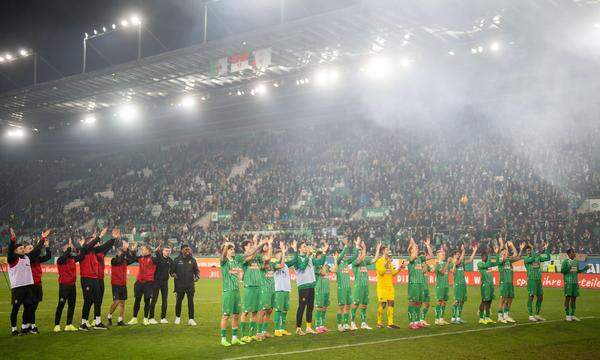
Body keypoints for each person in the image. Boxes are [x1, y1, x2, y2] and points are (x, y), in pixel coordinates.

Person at [7, 227, 38, 336]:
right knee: (15, 309)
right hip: (17, 288)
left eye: (22, 248)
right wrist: (13, 241)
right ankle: (14, 329)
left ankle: (24, 327)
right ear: (15, 251)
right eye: (20, 248)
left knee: (28, 307)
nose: (22, 249)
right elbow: (10, 252)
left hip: (28, 287)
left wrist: (42, 239)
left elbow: (36, 251)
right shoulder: (13, 259)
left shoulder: (27, 258)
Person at [78, 228, 110, 331]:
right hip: (86, 278)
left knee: (97, 300)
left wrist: (113, 238)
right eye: (92, 240)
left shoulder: (94, 251)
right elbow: (90, 245)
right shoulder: (84, 250)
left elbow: (105, 246)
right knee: (88, 301)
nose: (96, 243)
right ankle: (83, 323)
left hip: (95, 278)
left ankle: (97, 322)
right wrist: (99, 236)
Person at [239, 236, 268, 342]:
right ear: (245, 247)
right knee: (245, 312)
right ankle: (243, 335)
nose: (252, 247)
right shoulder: (243, 257)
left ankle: (252, 334)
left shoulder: (257, 257)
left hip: (258, 286)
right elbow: (249, 257)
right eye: (250, 245)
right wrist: (258, 244)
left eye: (252, 245)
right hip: (249, 287)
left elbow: (263, 264)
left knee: (255, 312)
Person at [219, 240, 246, 346]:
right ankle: (223, 339)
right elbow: (222, 256)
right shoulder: (224, 261)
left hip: (236, 291)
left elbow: (239, 275)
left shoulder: (235, 262)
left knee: (236, 315)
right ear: (226, 251)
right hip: (228, 291)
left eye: (233, 249)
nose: (233, 250)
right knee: (226, 316)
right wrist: (226, 245)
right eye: (231, 249)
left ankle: (234, 338)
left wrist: (241, 275)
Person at [350, 239, 381, 330]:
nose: (360, 254)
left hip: (365, 286)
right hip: (358, 286)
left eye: (361, 252)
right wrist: (364, 248)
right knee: (355, 304)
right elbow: (361, 258)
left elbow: (375, 259)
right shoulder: (355, 263)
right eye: (359, 252)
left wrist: (378, 249)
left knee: (364, 305)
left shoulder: (365, 261)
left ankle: (363, 323)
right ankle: (352, 322)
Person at [27, 229, 51, 334]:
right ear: (26, 251)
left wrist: (47, 246)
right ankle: (32, 325)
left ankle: (28, 324)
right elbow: (36, 250)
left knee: (34, 306)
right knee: (31, 306)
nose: (32, 249)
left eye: (32, 247)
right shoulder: (28, 258)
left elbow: (48, 257)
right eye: (29, 248)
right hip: (30, 285)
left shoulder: (36, 258)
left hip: (38, 284)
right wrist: (42, 238)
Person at [107, 234, 134, 327]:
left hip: (123, 283)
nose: (121, 253)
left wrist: (131, 250)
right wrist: (125, 249)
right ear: (118, 252)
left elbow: (132, 259)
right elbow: (121, 258)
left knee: (122, 302)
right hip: (116, 283)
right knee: (117, 301)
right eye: (121, 251)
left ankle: (120, 320)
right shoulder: (114, 260)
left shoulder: (124, 260)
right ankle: (109, 316)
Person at [128, 243, 157, 325]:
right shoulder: (140, 258)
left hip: (148, 282)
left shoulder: (153, 259)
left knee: (147, 300)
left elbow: (158, 260)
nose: (142, 251)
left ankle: (145, 318)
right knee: (137, 300)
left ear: (148, 250)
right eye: (142, 249)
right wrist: (133, 251)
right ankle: (134, 318)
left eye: (143, 249)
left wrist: (155, 252)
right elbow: (132, 258)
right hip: (139, 282)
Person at [375, 244, 404, 329]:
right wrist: (387, 263)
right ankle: (379, 322)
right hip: (382, 287)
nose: (388, 251)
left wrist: (400, 268)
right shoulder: (379, 261)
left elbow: (393, 273)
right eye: (387, 249)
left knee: (391, 303)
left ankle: (390, 323)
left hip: (390, 286)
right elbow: (381, 272)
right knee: (383, 304)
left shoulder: (389, 261)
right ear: (383, 251)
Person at [54, 238, 79, 332]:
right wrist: (68, 248)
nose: (69, 248)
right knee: (61, 305)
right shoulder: (60, 260)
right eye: (67, 246)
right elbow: (65, 256)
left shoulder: (72, 259)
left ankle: (69, 324)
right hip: (64, 285)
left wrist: (78, 246)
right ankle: (57, 324)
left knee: (72, 305)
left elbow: (82, 255)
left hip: (72, 285)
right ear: (63, 248)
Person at [496, 239, 524, 323]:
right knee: (503, 299)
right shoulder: (500, 261)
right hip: (504, 283)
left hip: (510, 283)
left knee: (510, 298)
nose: (505, 254)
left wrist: (512, 245)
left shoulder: (509, 260)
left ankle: (506, 315)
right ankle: (500, 316)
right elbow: (501, 259)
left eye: (506, 253)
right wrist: (502, 247)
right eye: (503, 253)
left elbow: (517, 256)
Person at [293, 240, 318, 335]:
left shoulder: (310, 258)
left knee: (310, 307)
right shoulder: (297, 258)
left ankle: (308, 327)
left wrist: (323, 252)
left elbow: (319, 262)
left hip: (311, 285)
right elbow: (302, 267)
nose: (306, 247)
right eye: (304, 246)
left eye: (306, 246)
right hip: (303, 286)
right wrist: (308, 255)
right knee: (302, 307)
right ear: (299, 248)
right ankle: (298, 328)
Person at [172, 244, 200, 326]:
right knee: (178, 302)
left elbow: (196, 271)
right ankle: (177, 318)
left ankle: (191, 319)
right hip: (179, 285)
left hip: (190, 285)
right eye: (186, 249)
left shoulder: (193, 260)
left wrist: (197, 276)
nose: (187, 251)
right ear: (181, 250)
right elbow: (172, 271)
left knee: (190, 302)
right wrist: (173, 274)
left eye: (188, 249)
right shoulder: (176, 260)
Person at [334, 237, 358, 332]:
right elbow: (341, 255)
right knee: (341, 307)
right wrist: (346, 245)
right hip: (341, 288)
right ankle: (339, 325)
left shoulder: (346, 262)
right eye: (340, 253)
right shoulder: (338, 262)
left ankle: (346, 324)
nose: (343, 254)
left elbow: (355, 255)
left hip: (348, 287)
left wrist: (356, 246)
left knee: (348, 306)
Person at [524, 242, 551, 321]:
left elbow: (548, 258)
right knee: (531, 296)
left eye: (530, 250)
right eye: (528, 251)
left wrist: (546, 249)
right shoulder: (526, 259)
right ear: (526, 252)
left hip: (538, 280)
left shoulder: (538, 258)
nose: (529, 252)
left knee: (540, 297)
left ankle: (537, 314)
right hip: (531, 280)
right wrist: (533, 251)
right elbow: (532, 259)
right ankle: (530, 315)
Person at [450, 243, 477, 324]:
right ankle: (452, 318)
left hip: (463, 284)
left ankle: (458, 318)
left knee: (462, 301)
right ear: (453, 255)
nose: (458, 255)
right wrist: (463, 251)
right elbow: (454, 269)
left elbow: (470, 260)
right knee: (456, 301)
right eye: (457, 254)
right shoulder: (453, 262)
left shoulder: (461, 263)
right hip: (457, 284)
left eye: (459, 254)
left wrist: (474, 251)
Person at [561, 249, 591, 321]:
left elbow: (578, 271)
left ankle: (572, 315)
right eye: (573, 252)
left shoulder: (576, 262)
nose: (574, 253)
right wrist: (568, 268)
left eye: (574, 252)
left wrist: (585, 268)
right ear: (569, 254)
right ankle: (567, 315)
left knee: (574, 299)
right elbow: (562, 271)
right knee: (567, 298)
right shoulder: (565, 262)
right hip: (568, 283)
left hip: (575, 283)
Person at [273, 241, 295, 337]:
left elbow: (285, 263)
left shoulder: (286, 265)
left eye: (281, 254)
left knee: (285, 310)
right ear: (276, 256)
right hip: (279, 290)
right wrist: (283, 251)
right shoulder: (274, 264)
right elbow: (281, 264)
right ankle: (276, 330)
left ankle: (282, 329)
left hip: (286, 290)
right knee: (278, 309)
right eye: (279, 254)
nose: (281, 255)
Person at [149, 242, 173, 324]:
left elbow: (172, 272)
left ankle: (163, 318)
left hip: (165, 283)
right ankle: (151, 318)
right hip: (156, 282)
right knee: (154, 300)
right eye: (166, 251)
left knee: (164, 300)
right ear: (163, 251)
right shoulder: (158, 258)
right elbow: (151, 259)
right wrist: (155, 252)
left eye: (169, 251)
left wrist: (174, 275)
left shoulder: (170, 260)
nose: (168, 252)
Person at [406, 237, 428, 330]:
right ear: (411, 250)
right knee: (412, 302)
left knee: (419, 303)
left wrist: (427, 245)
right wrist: (413, 243)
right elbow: (413, 255)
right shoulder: (410, 259)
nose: (418, 249)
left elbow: (431, 256)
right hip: (413, 284)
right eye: (416, 248)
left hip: (420, 284)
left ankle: (418, 321)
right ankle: (411, 322)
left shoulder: (420, 259)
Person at [257, 237, 275, 340]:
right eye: (265, 245)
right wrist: (270, 244)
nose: (266, 246)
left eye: (267, 245)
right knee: (263, 311)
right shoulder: (260, 258)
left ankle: (264, 331)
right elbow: (267, 260)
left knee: (269, 311)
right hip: (264, 288)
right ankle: (259, 333)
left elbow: (278, 264)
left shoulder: (271, 261)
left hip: (272, 288)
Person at [313, 243, 331, 333]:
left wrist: (335, 260)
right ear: (317, 257)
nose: (321, 258)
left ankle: (322, 325)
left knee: (324, 307)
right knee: (319, 308)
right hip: (319, 289)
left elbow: (334, 270)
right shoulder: (316, 266)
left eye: (322, 256)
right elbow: (323, 273)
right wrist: (324, 264)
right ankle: (317, 326)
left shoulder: (326, 265)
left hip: (326, 289)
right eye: (320, 256)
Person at [434, 248, 455, 326]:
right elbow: (442, 272)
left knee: (444, 302)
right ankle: (436, 319)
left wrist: (454, 263)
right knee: (439, 302)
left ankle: (441, 318)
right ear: (438, 256)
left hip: (446, 285)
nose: (444, 256)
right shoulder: (437, 264)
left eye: (444, 254)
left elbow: (453, 271)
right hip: (440, 285)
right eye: (442, 254)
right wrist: (448, 263)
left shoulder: (446, 263)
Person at [477, 247, 497, 324]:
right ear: (482, 257)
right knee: (484, 301)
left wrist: (496, 253)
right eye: (486, 256)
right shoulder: (480, 264)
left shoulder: (489, 263)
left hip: (491, 285)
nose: (487, 257)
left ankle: (487, 317)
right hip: (485, 285)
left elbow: (498, 262)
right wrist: (489, 255)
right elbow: (488, 264)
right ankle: (481, 318)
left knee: (490, 301)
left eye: (487, 256)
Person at [418, 238, 434, 327]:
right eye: (424, 256)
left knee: (427, 304)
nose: (426, 257)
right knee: (419, 304)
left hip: (426, 287)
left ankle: (422, 319)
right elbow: (431, 255)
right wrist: (427, 245)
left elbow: (432, 270)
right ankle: (417, 320)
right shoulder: (418, 263)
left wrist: (433, 267)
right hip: (421, 286)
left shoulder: (426, 264)